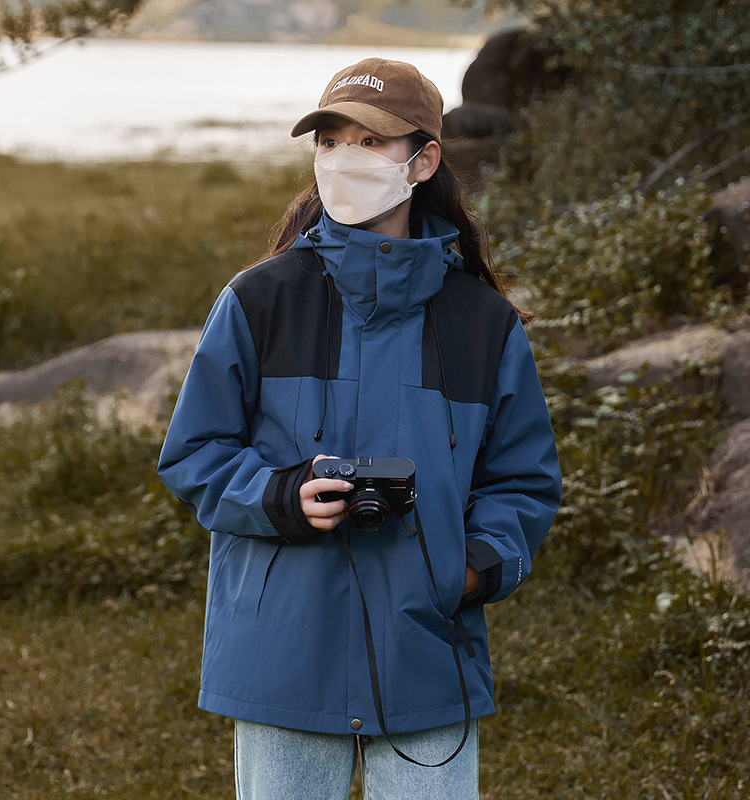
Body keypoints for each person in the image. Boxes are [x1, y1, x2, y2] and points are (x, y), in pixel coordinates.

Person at [158, 57, 562, 800]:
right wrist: (279, 494)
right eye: (331, 140)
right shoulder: (256, 300)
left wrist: (465, 570)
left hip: (427, 657)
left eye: (371, 142)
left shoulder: (485, 325)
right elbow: (194, 454)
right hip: (281, 659)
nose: (345, 158)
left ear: (423, 160)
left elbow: (523, 482)